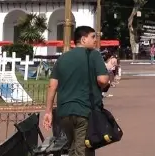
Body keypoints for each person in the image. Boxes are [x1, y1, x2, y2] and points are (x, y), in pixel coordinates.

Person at [43, 26, 110, 156]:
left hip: (64, 112)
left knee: (73, 147)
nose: (96, 40)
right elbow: (102, 80)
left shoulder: (62, 58)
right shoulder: (94, 55)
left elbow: (52, 86)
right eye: (93, 37)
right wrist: (108, 78)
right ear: (83, 39)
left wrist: (48, 111)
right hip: (84, 110)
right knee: (84, 149)